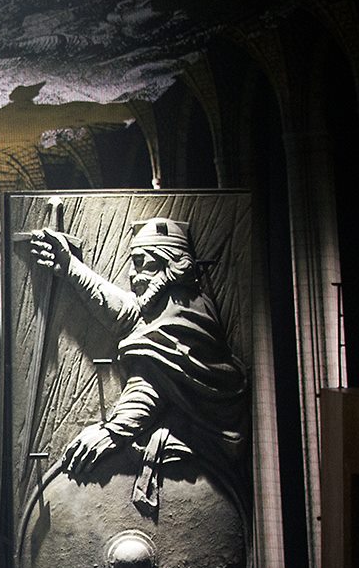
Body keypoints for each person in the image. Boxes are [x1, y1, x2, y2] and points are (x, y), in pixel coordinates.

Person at [26, 217, 247, 509]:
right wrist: (69, 265)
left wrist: (111, 432)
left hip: (207, 453)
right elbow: (124, 311)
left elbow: (152, 379)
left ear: (168, 264)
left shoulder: (184, 310)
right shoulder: (165, 304)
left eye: (141, 263)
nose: (132, 273)